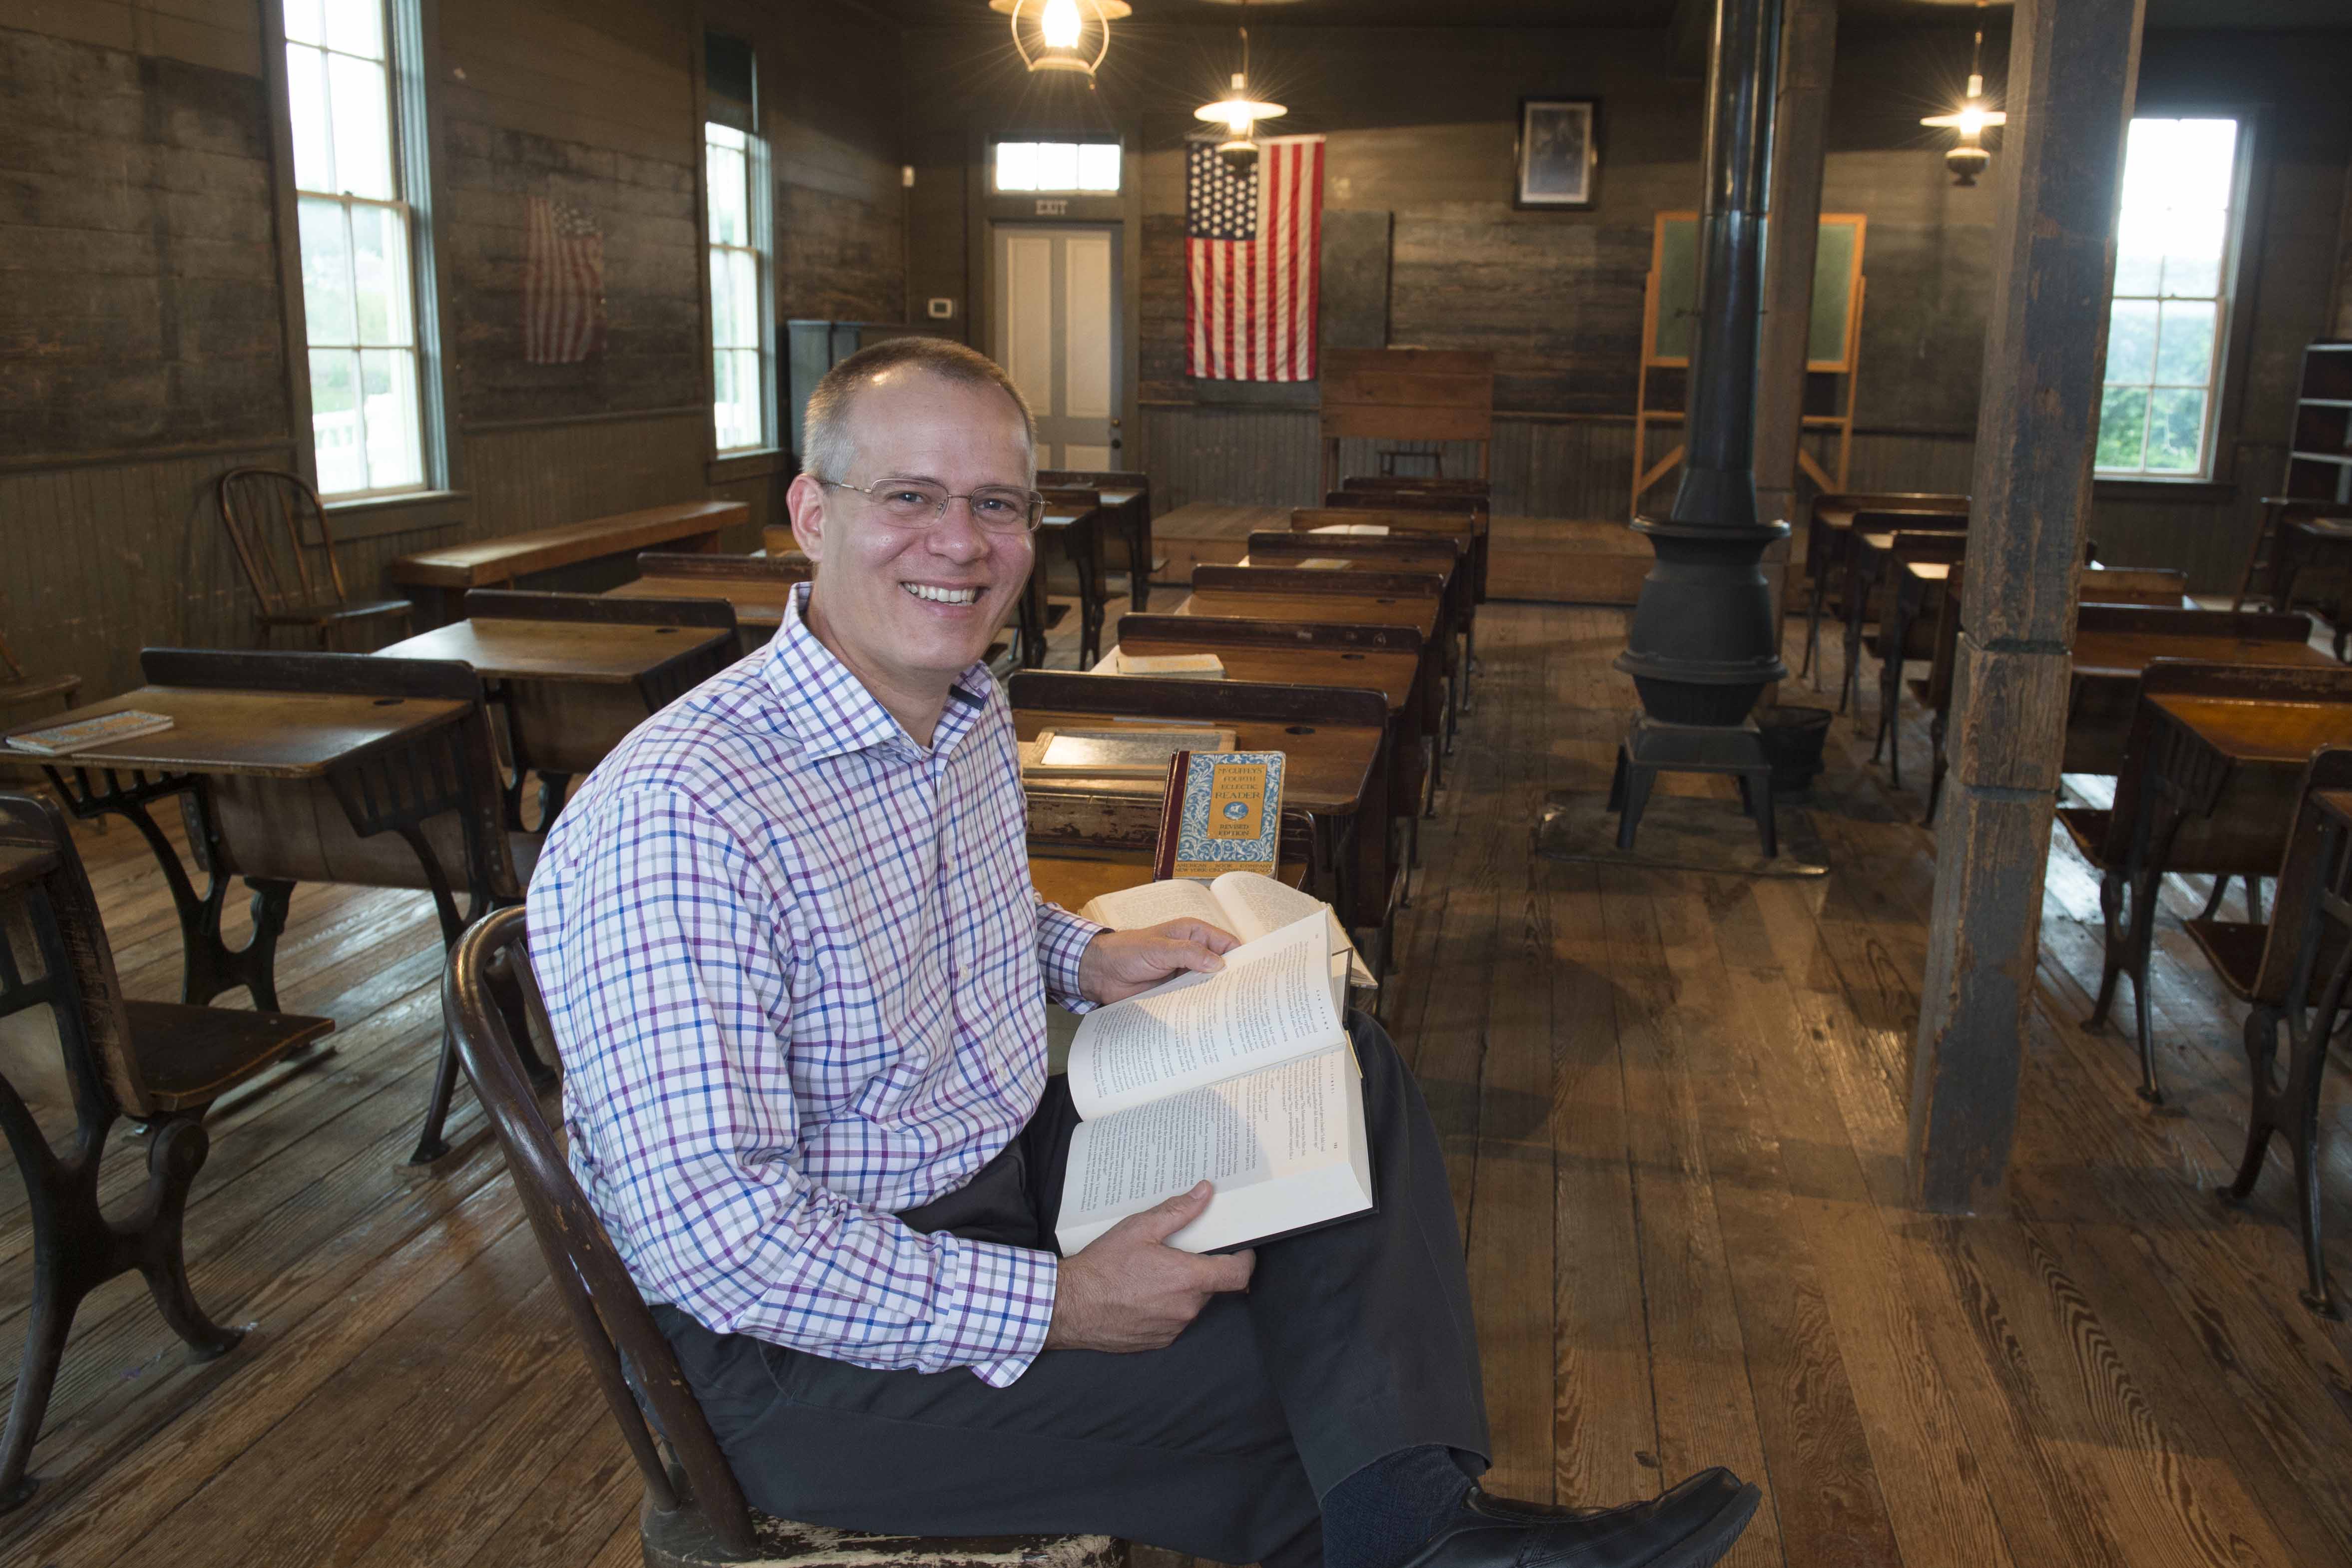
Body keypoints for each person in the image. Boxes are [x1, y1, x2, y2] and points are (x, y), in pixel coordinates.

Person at [526, 338, 1759, 1568]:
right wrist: (1058, 1304)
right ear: (811, 513)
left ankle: (1420, 1532)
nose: (959, 542)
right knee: (1308, 1385)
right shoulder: (685, 812)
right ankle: (1421, 1533)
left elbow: (940, 913)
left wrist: (1082, 959)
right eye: (908, 495)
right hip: (795, 1352)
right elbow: (716, 1233)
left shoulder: (951, 707)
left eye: (996, 503)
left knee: (1343, 1061)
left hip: (996, 1170)